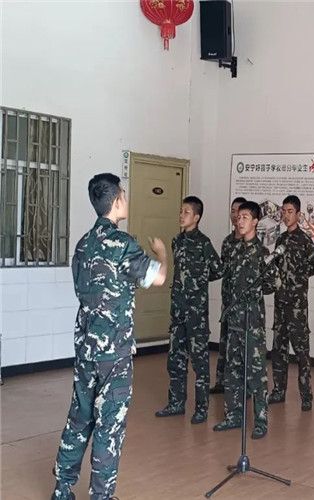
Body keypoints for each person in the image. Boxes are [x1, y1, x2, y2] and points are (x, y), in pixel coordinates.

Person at [52, 173, 167, 500]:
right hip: (114, 351)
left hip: (86, 346)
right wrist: (162, 253)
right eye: (124, 195)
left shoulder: (83, 244)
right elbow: (159, 278)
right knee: (109, 425)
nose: (126, 200)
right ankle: (101, 496)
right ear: (116, 201)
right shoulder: (122, 244)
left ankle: (62, 489)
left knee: (79, 418)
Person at [155, 196, 224, 423]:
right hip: (178, 312)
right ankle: (176, 403)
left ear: (196, 217)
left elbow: (218, 269)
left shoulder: (204, 243)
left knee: (200, 364)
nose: (181, 215)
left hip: (196, 314)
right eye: (180, 211)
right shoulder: (177, 241)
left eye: (186, 212)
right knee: (176, 360)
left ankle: (202, 409)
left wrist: (199, 281)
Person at [213, 201, 276, 439]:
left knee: (256, 374)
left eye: (245, 217)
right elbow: (227, 283)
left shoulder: (263, 254)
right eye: (238, 217)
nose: (240, 221)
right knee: (232, 371)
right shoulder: (232, 249)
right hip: (233, 321)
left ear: (256, 222)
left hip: (252, 323)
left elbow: (271, 284)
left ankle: (260, 421)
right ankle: (233, 415)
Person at [268, 195, 314, 411]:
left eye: (290, 211)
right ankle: (278, 391)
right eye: (283, 211)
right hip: (280, 304)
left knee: (302, 353)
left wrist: (301, 276)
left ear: (298, 214)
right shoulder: (281, 240)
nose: (286, 215)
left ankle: (306, 396)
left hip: (297, 307)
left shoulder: (304, 240)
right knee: (278, 350)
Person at [211, 196, 247, 394]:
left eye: (239, 212)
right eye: (233, 211)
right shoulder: (227, 242)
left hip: (243, 305)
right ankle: (221, 381)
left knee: (242, 345)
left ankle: (244, 385)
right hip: (228, 301)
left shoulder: (250, 244)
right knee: (224, 341)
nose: (235, 216)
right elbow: (221, 269)